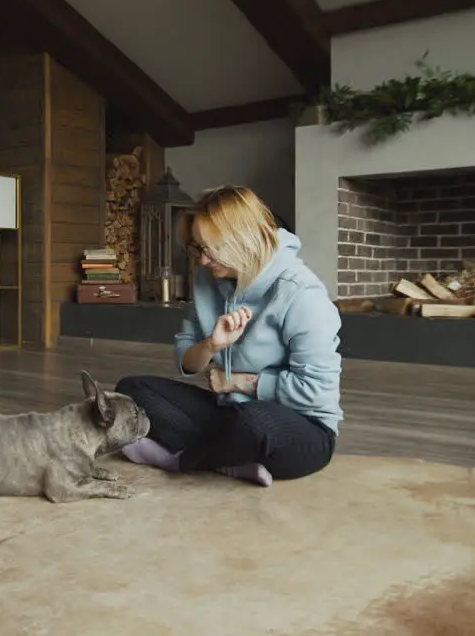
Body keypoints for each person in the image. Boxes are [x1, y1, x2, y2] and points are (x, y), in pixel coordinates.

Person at [115, 185, 343, 487]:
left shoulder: (301, 294)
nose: (202, 260)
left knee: (254, 424)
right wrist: (211, 345)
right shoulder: (207, 277)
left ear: (242, 241)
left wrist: (236, 383)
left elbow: (315, 391)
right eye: (196, 248)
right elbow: (188, 360)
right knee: (131, 390)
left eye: (208, 249)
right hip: (230, 410)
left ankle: (179, 460)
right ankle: (231, 460)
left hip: (301, 428)